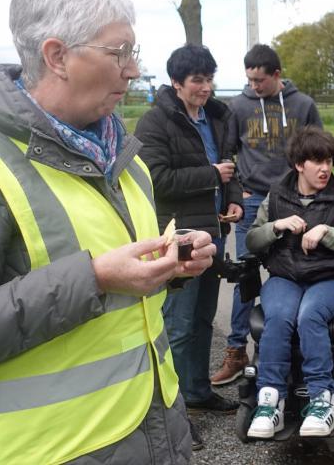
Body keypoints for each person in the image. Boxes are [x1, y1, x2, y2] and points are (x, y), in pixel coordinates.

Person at [0, 0, 215, 464]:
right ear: (57, 56)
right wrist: (94, 278)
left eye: (134, 53)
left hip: (154, 436)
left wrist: (167, 264)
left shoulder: (121, 154)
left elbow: (123, 292)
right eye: (120, 52)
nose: (133, 70)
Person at [134, 44, 243, 418]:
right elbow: (156, 181)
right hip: (179, 240)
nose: (206, 87)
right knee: (178, 326)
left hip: (214, 235)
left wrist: (232, 197)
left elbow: (229, 166)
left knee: (201, 319)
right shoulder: (155, 122)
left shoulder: (217, 118)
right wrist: (212, 175)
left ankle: (197, 392)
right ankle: (173, 413)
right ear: (176, 82)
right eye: (198, 80)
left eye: (210, 79)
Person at [211, 43, 323, 386]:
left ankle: (298, 345)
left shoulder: (302, 105)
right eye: (250, 80)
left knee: (298, 268)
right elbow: (228, 151)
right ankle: (236, 350)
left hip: (295, 198)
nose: (254, 86)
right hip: (253, 199)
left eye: (260, 80)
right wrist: (237, 191)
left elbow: (319, 149)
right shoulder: (239, 106)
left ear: (276, 75)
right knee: (246, 275)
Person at [243, 127, 334, 439]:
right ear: (299, 164)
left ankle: (322, 398)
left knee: (310, 314)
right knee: (280, 317)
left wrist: (326, 231)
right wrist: (276, 226)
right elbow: (253, 241)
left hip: (331, 278)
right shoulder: (276, 195)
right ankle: (271, 400)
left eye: (329, 162)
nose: (325, 169)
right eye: (317, 162)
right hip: (285, 276)